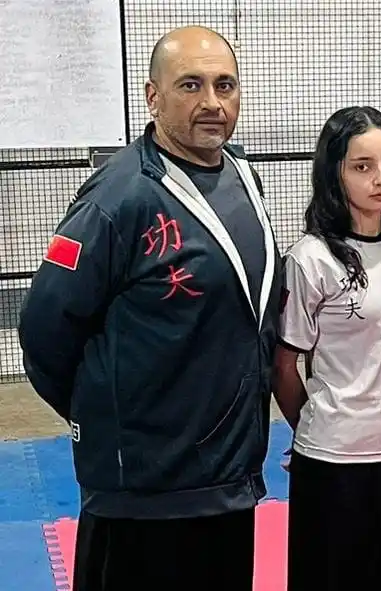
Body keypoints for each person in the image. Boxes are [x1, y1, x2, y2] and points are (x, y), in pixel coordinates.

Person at [17, 26, 281, 590]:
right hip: (143, 495)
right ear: (153, 97)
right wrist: (109, 416)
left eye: (225, 85)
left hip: (228, 480)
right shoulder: (119, 197)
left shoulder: (243, 177)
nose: (212, 102)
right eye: (191, 84)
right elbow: (44, 329)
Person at [272, 105, 381, 591]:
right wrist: (315, 431)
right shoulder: (311, 260)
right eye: (362, 167)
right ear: (334, 173)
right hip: (337, 462)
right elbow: (283, 367)